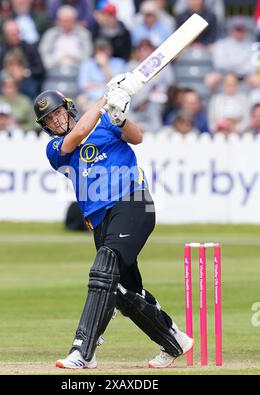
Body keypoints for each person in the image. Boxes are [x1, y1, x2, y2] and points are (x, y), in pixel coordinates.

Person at [33, 72, 193, 369]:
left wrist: (119, 118)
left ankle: (83, 350)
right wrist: (107, 98)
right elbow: (79, 135)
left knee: (103, 270)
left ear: (68, 109)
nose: (55, 121)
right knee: (123, 291)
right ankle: (174, 340)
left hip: (132, 202)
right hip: (99, 219)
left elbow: (138, 137)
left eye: (57, 114)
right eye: (49, 120)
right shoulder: (55, 149)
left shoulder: (107, 121)